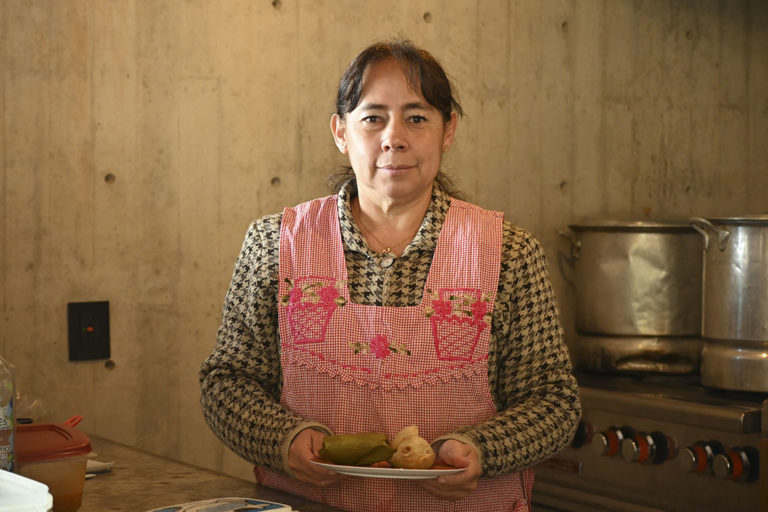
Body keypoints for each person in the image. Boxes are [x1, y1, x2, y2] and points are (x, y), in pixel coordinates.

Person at [200, 38, 581, 512]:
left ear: (448, 131)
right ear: (341, 131)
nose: (394, 137)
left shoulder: (507, 252)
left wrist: (483, 450)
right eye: (373, 117)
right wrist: (283, 439)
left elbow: (553, 402)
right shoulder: (275, 244)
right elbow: (227, 381)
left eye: (417, 118)